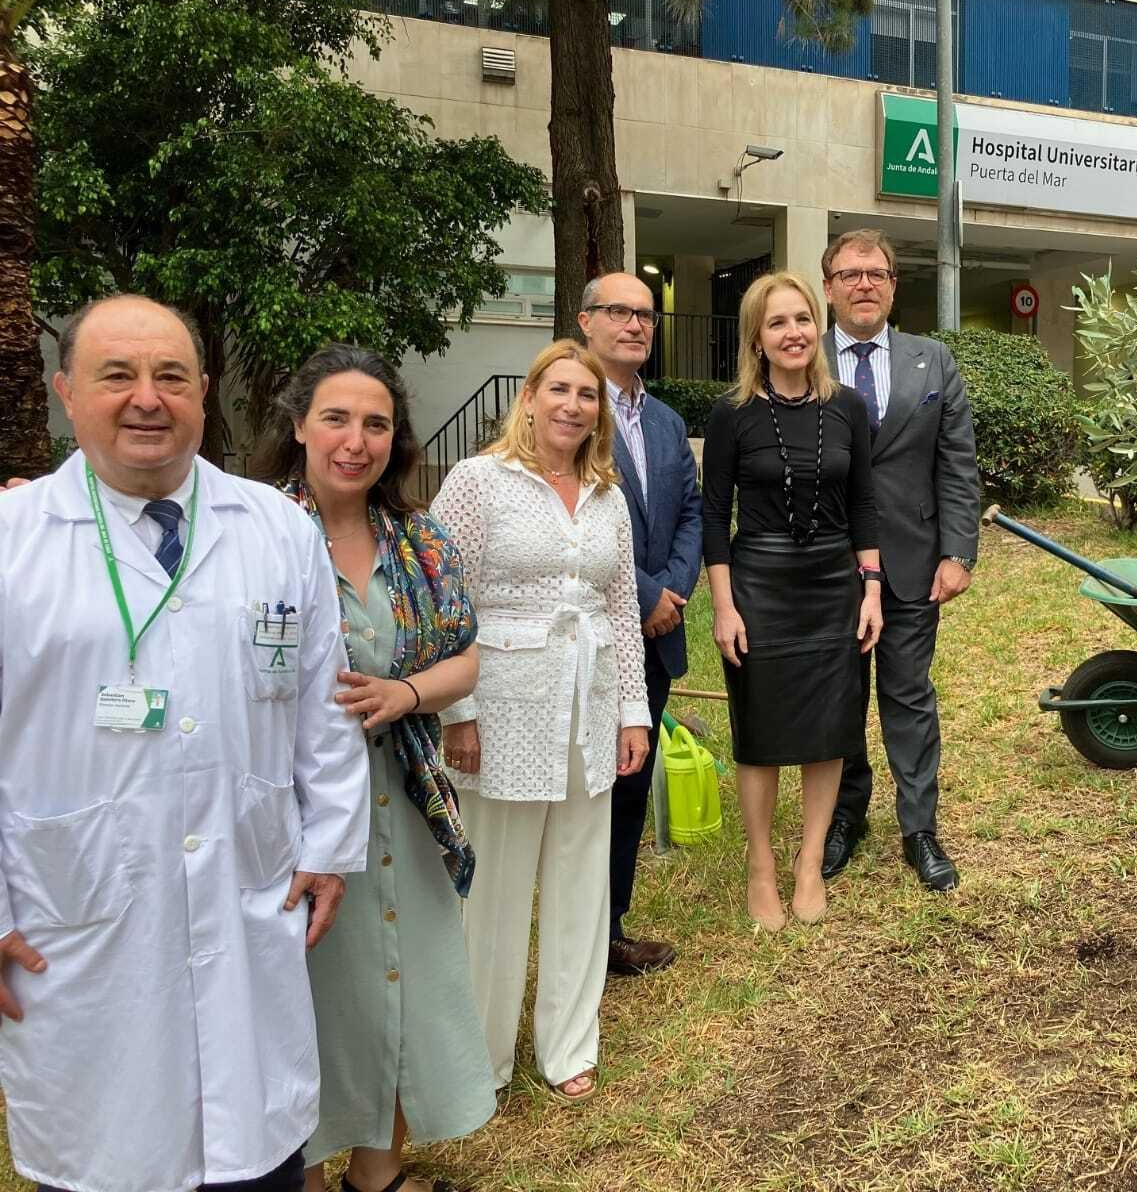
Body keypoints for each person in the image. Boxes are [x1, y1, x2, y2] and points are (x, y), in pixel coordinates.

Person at [0, 295, 369, 1192]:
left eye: (171, 376)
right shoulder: (12, 543)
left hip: (250, 896)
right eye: (116, 375)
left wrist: (327, 847)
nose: (146, 399)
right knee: (112, 1155)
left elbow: (325, 702)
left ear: (203, 393)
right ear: (65, 392)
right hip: (75, 916)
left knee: (256, 1157)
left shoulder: (275, 528)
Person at [257, 344, 495, 1192]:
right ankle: (307, 1176)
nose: (356, 441)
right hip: (298, 823)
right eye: (336, 419)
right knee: (317, 1008)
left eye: (377, 424)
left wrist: (406, 692)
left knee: (408, 998)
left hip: (406, 803)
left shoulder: (419, 541)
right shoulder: (254, 537)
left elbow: (466, 659)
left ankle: (378, 1173)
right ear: (297, 426)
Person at [431, 340, 651, 1103]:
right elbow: (444, 599)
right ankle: (481, 1060)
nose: (572, 405)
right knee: (492, 890)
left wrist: (634, 713)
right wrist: (457, 711)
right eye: (558, 389)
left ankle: (568, 1046)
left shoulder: (607, 495)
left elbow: (621, 607)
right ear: (529, 397)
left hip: (588, 706)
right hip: (500, 707)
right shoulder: (478, 481)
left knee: (581, 881)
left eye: (586, 395)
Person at [702, 271, 883, 930]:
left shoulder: (848, 409)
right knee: (760, 735)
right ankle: (760, 867)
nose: (793, 333)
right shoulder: (732, 415)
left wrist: (872, 590)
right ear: (758, 336)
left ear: (818, 326)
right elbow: (714, 514)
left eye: (802, 319)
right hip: (758, 586)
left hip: (834, 587)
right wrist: (723, 606)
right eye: (777, 322)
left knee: (827, 730)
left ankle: (808, 862)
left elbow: (863, 503)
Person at [817, 229, 980, 894]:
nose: (865, 284)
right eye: (851, 273)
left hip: (914, 566)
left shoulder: (932, 360)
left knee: (908, 697)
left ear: (892, 285)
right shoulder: (803, 355)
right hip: (827, 570)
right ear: (827, 286)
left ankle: (920, 830)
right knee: (839, 700)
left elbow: (957, 464)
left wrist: (958, 551)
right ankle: (844, 818)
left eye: (877, 273)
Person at [576, 273, 703, 979]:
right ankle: (574, 937)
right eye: (619, 312)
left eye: (646, 315)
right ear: (585, 320)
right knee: (583, 793)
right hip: (590, 637)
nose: (636, 325)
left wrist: (673, 591)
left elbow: (689, 511)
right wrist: (645, 594)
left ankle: (609, 928)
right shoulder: (562, 405)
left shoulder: (663, 419)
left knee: (629, 783)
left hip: (654, 637)